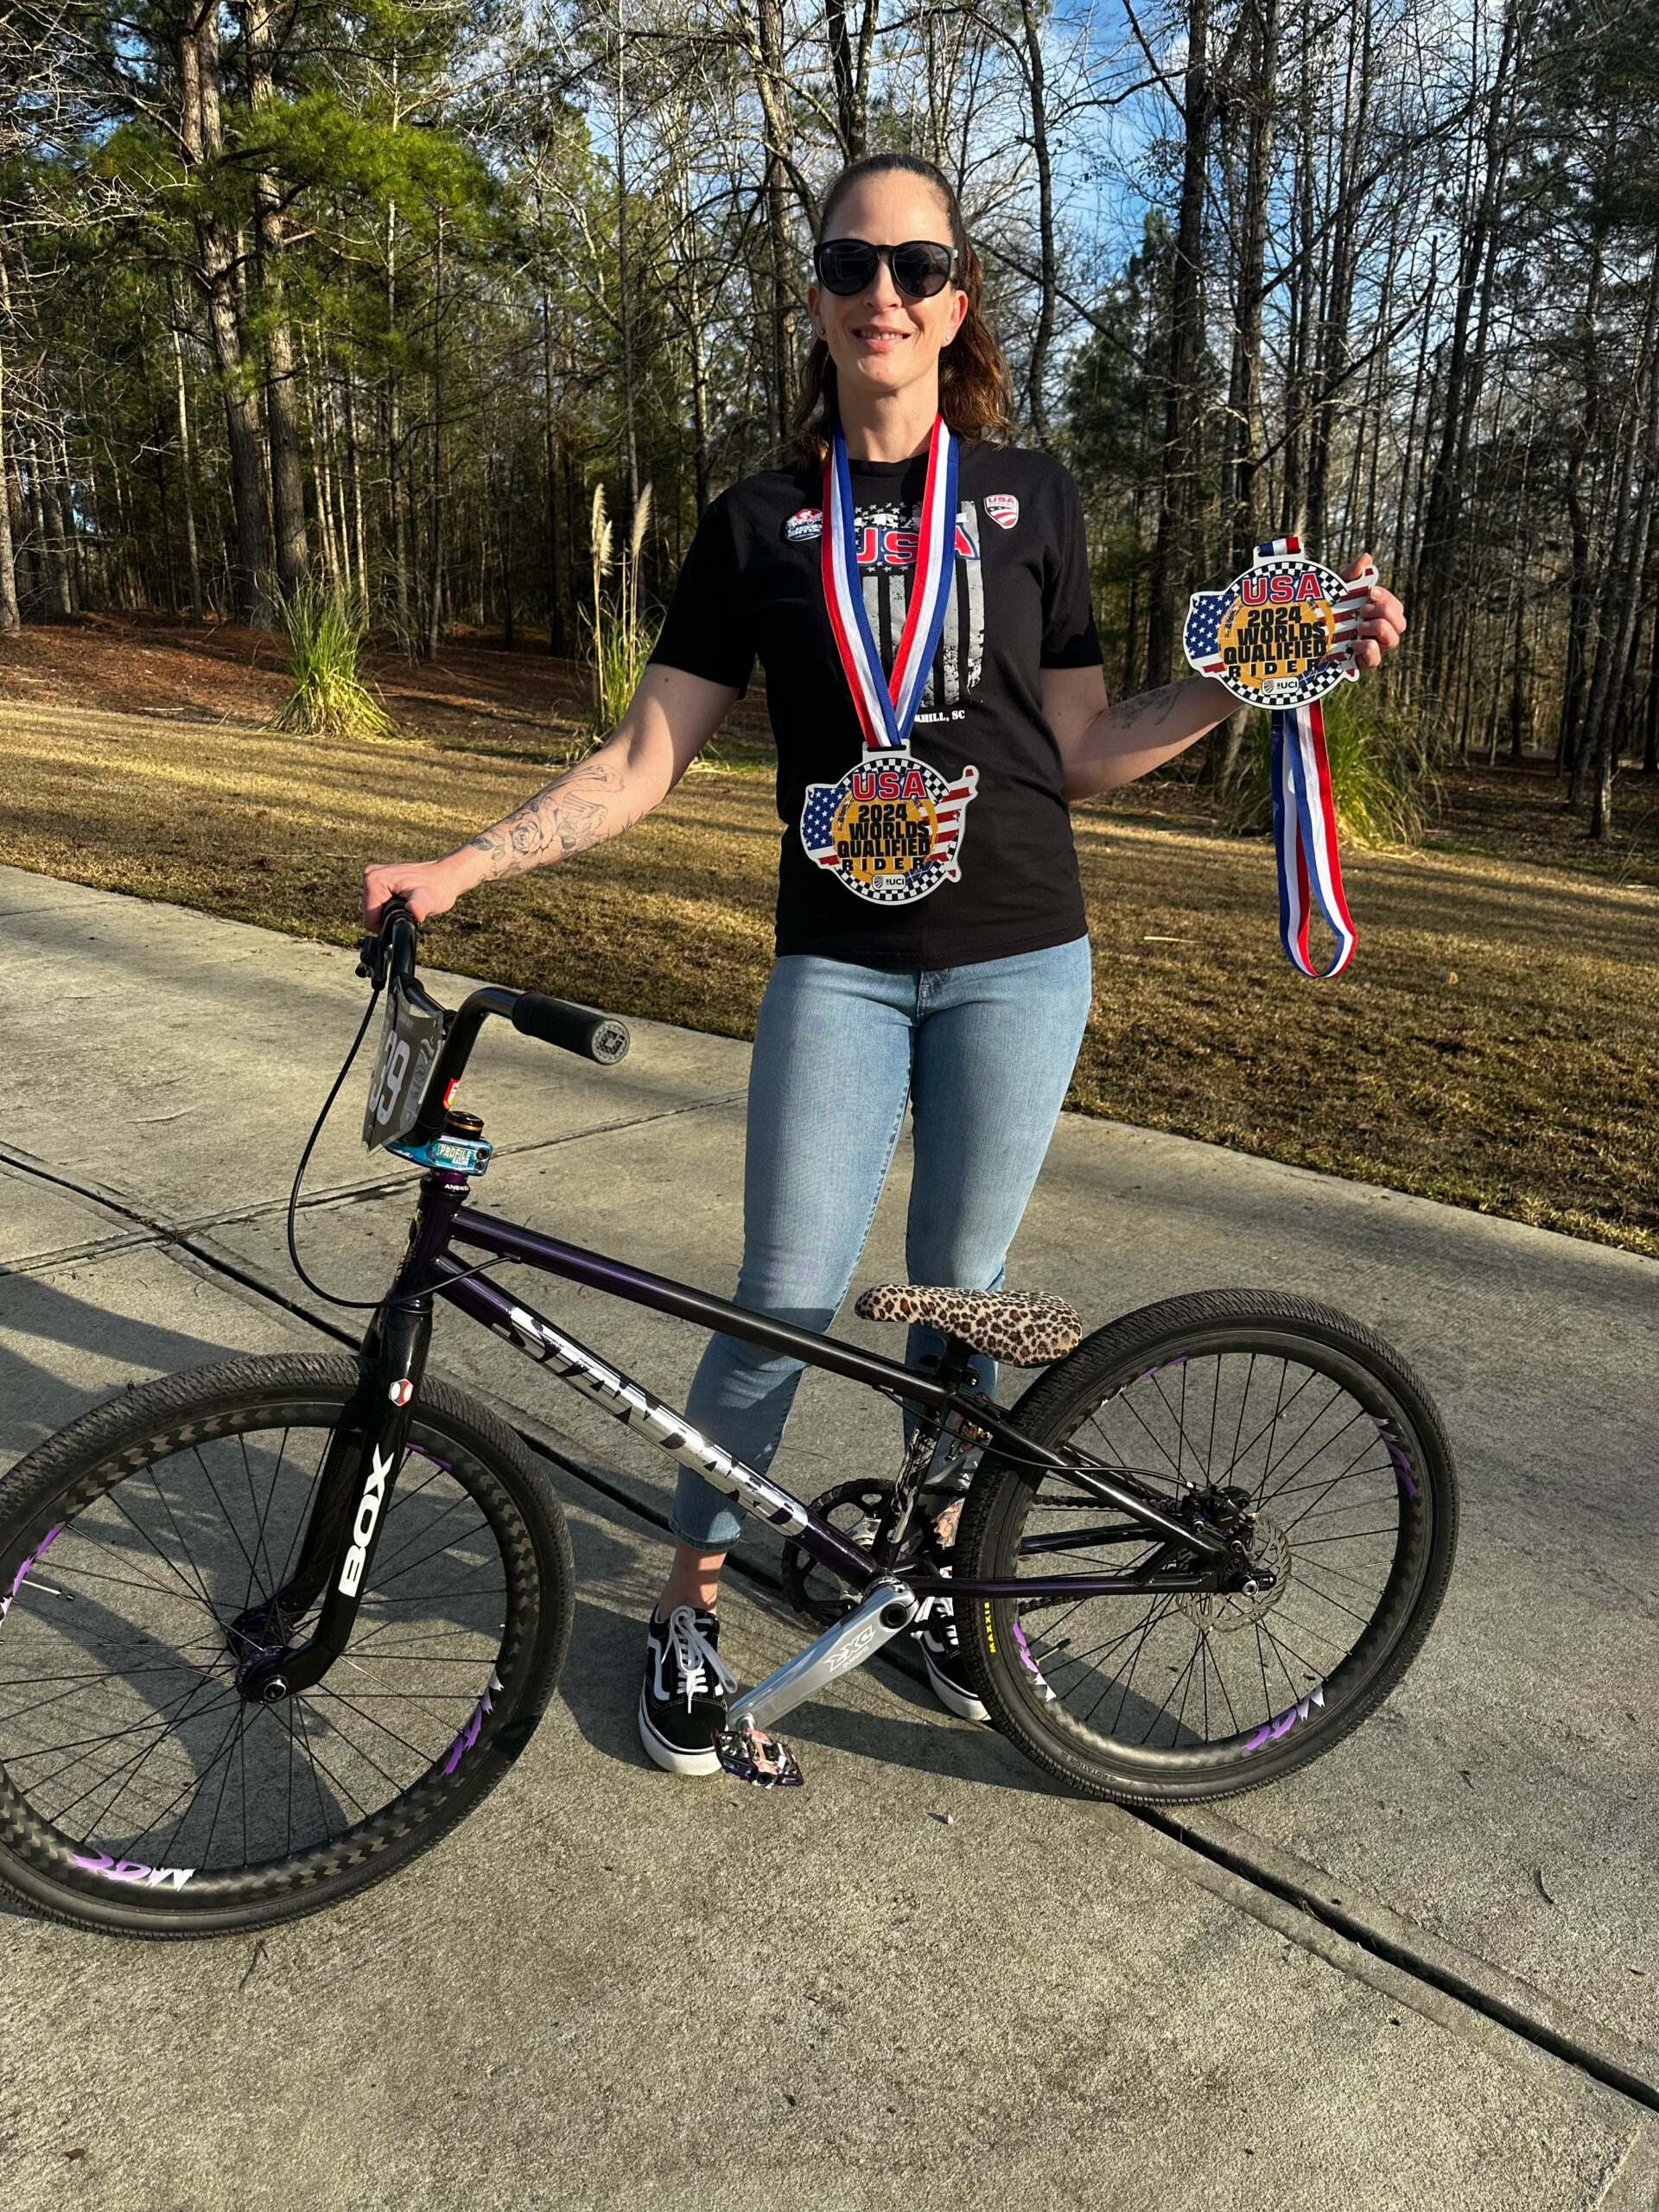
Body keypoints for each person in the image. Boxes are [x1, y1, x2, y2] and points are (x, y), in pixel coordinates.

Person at [363, 151, 1407, 1780]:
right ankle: (691, 1621)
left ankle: (932, 1589)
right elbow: (646, 755)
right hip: (837, 968)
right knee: (780, 1302)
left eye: (917, 268)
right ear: (818, 300)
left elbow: (1080, 750)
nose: (883, 296)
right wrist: (464, 864)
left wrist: (1247, 681)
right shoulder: (755, 521)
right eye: (852, 267)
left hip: (1018, 960)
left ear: (958, 300)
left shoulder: (1031, 497)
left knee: (956, 1301)